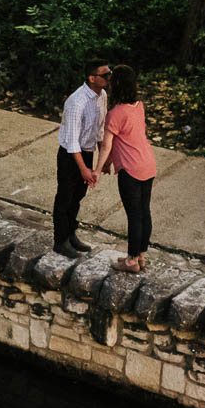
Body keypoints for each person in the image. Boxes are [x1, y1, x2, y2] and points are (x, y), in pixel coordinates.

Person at [96, 65, 156, 273]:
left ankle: (131, 261)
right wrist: (108, 163)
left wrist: (98, 168)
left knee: (134, 215)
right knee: (144, 211)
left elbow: (107, 145)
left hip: (131, 170)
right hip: (148, 164)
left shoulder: (115, 114)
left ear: (117, 85)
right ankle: (141, 256)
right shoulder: (139, 106)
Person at [52, 60, 110, 256]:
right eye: (105, 75)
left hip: (86, 152)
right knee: (65, 197)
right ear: (92, 78)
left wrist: (101, 161)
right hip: (71, 155)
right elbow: (72, 141)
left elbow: (100, 130)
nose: (109, 78)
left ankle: (70, 234)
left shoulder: (102, 95)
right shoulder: (77, 102)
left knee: (78, 197)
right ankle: (60, 240)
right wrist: (84, 169)